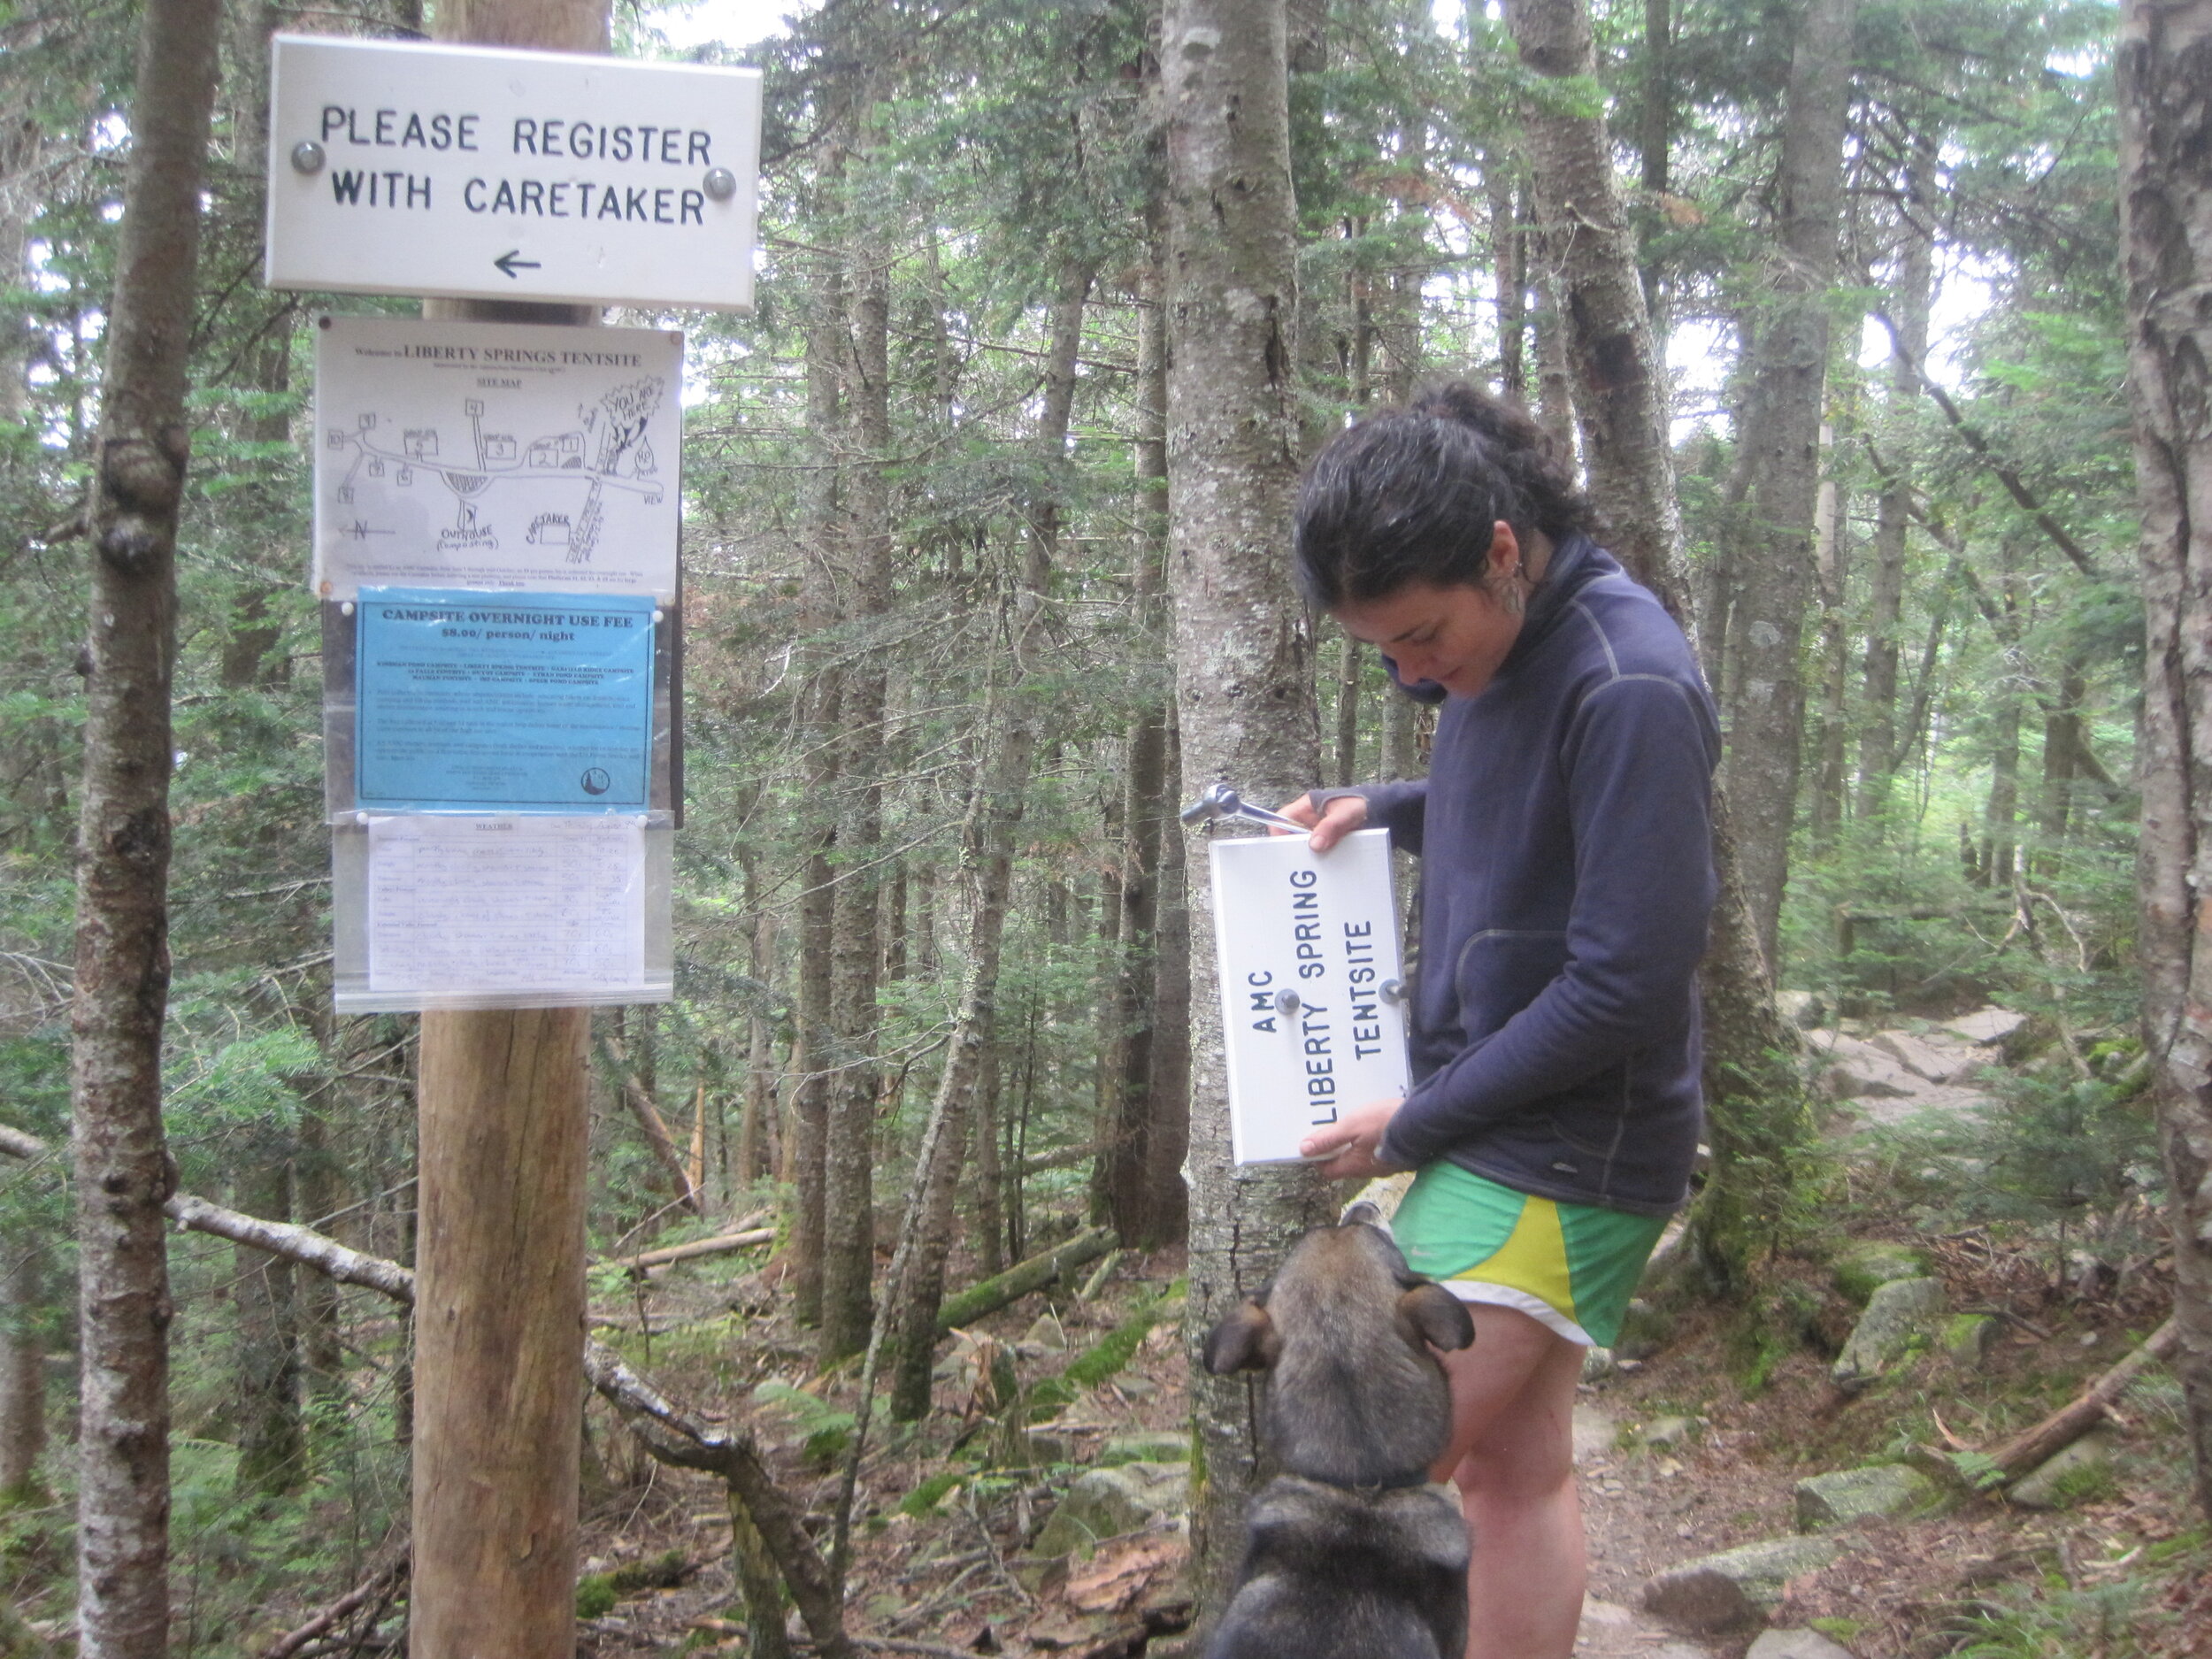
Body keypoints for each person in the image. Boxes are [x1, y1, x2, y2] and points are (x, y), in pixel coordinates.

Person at [1280, 384, 1718, 1659]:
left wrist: (1417, 1120)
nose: (1413, 673)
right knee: (1511, 1478)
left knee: (1363, 1490)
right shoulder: (1507, 646)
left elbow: (1628, 979)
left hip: (1564, 1148)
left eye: (1422, 636)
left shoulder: (1629, 681)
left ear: (1503, 552)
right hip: (1512, 1120)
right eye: (1383, 653)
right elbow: (1523, 799)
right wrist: (1387, 806)